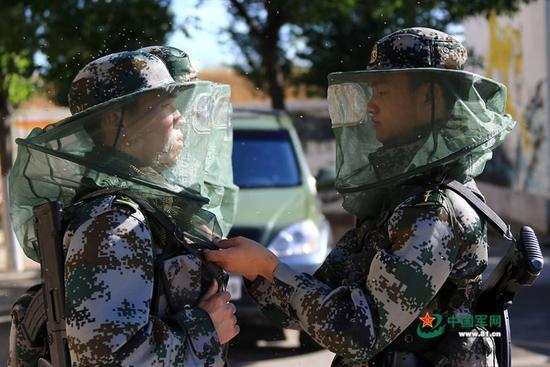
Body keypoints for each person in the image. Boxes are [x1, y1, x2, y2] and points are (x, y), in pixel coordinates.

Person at [205, 27, 516, 366]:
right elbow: (319, 299)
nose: (371, 107)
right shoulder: (402, 198)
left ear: (430, 97)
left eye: (382, 91)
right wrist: (257, 270)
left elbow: (358, 332)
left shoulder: (433, 209)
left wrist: (268, 266)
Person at [9, 49, 238, 366]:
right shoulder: (114, 222)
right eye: (165, 105)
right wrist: (207, 329)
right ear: (114, 119)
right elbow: (104, 359)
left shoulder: (128, 211)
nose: (179, 117)